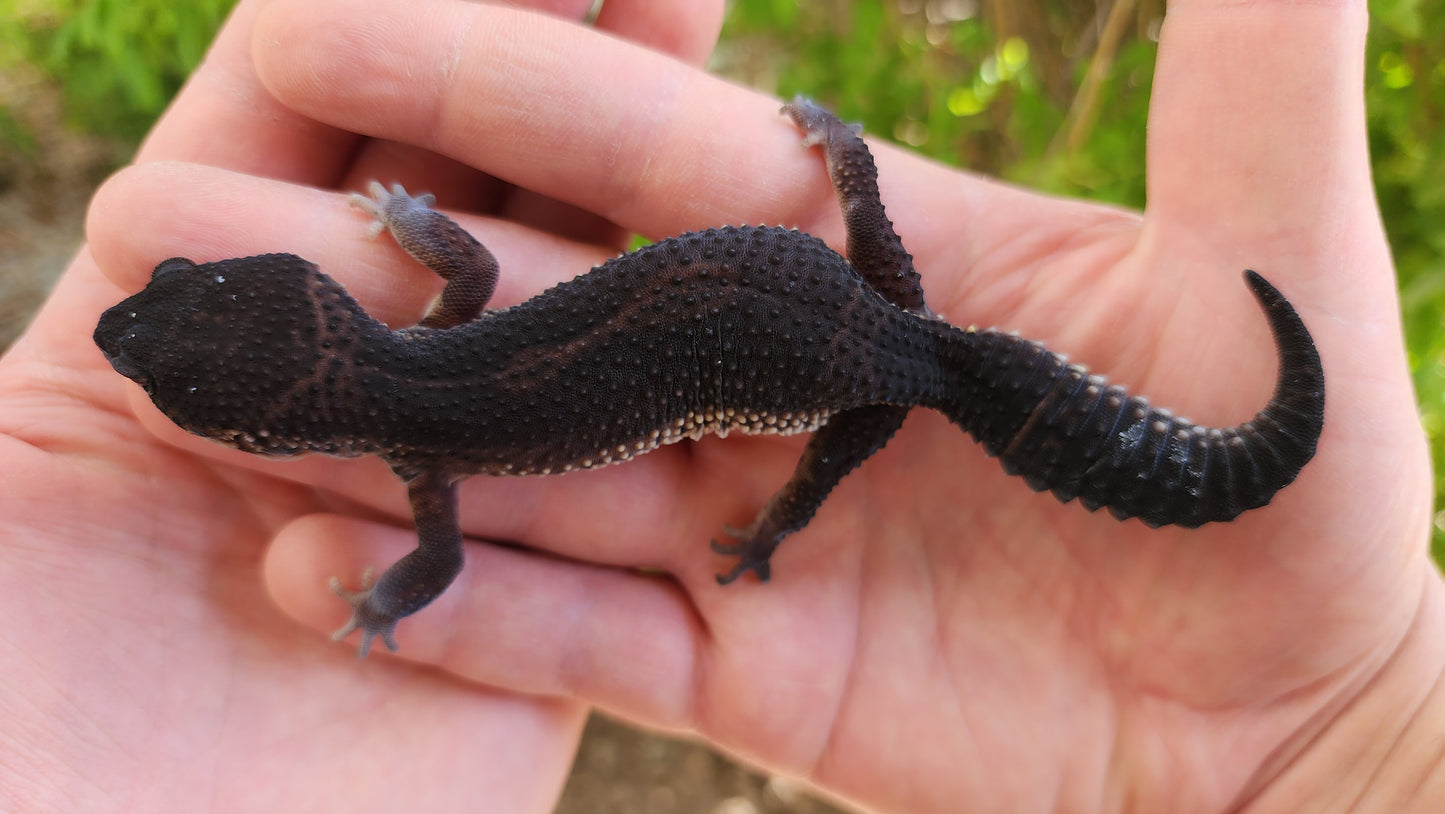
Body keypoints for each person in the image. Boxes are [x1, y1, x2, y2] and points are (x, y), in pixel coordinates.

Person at [1, 0, 1438, 810]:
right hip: (844, 324)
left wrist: (387, 603)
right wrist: (410, 215)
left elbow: (433, 548)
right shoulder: (427, 364)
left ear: (288, 416)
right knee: (899, 355)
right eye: (168, 356)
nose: (146, 321)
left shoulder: (416, 443)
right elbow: (473, 261)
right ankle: (850, 177)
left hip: (844, 348)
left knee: (884, 391)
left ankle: (837, 287)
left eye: (180, 316)